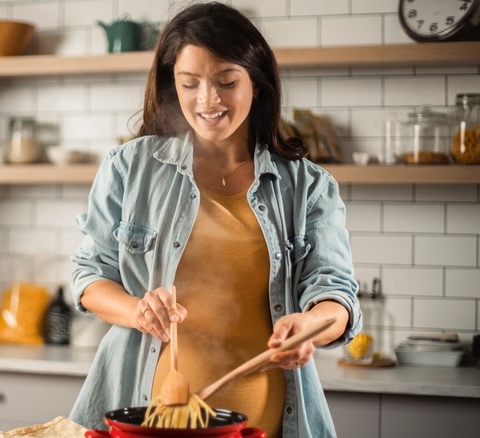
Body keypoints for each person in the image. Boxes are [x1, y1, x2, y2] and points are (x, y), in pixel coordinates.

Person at [68, 2, 361, 437]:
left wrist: (312, 327)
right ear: (173, 86)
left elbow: (336, 296)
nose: (208, 101)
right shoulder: (130, 168)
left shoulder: (307, 187)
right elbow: (88, 275)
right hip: (141, 422)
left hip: (271, 423)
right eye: (190, 84)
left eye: (226, 81)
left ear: (256, 84)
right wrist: (136, 310)